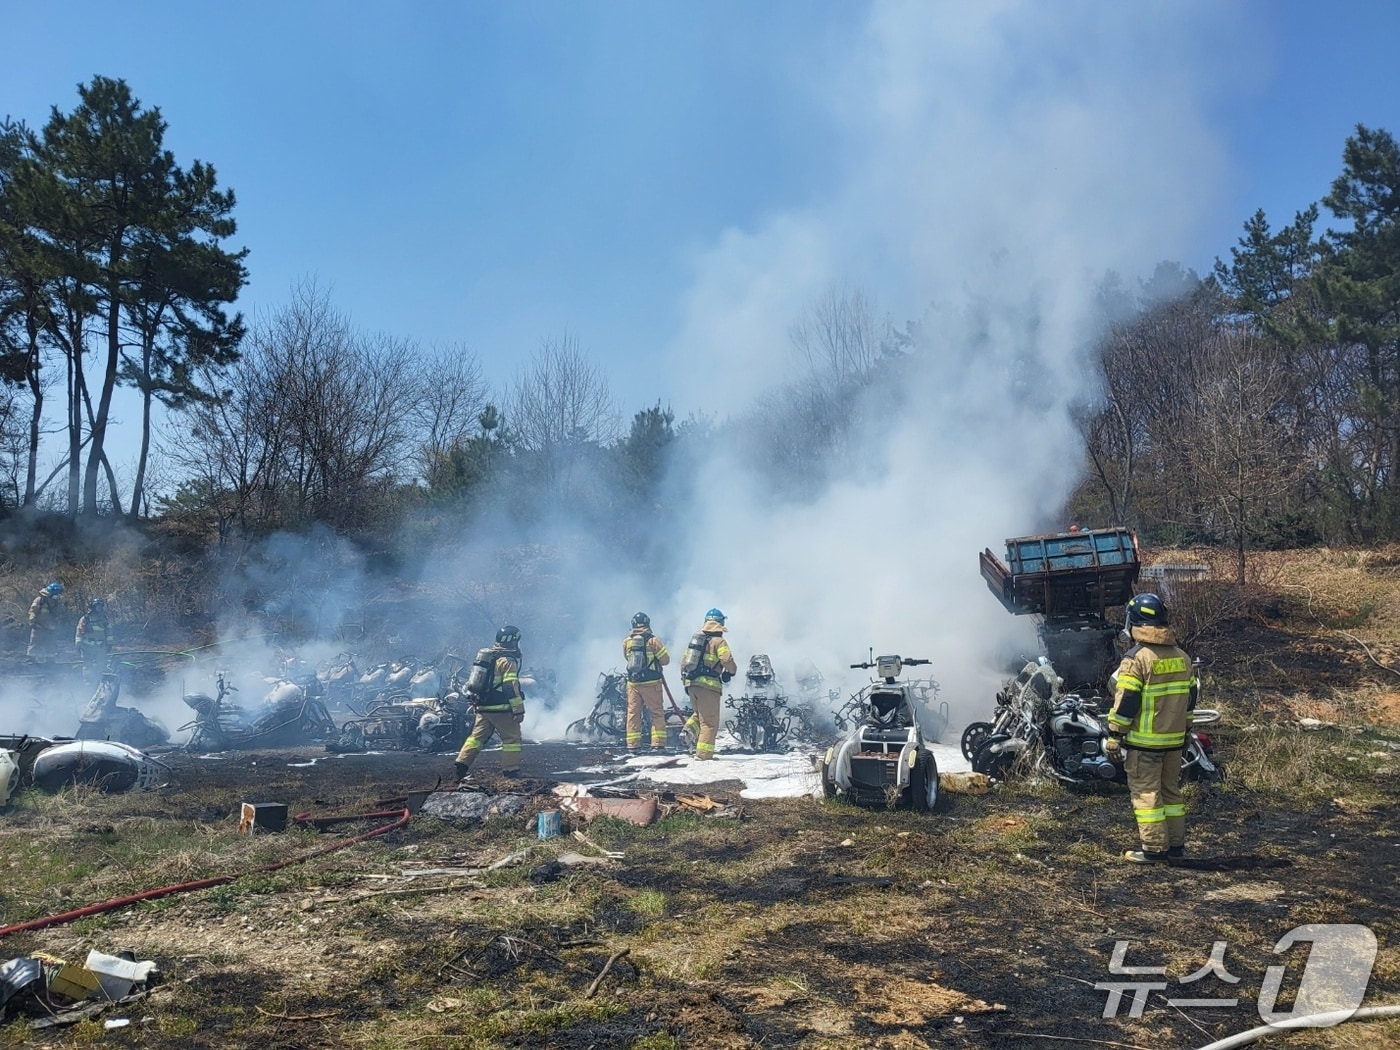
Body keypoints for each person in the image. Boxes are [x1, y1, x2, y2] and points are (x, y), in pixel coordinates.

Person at [1104, 592, 1199, 863]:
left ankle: (1154, 850)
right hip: (1174, 742)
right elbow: (1190, 700)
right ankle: (1176, 846)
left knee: (1147, 795)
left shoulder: (1137, 659)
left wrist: (1114, 735)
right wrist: (1186, 731)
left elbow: (1127, 703)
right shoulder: (1182, 657)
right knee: (1171, 792)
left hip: (1144, 745)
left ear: (1134, 622)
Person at [454, 625, 527, 780]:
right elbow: (510, 686)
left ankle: (461, 765)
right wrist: (518, 709)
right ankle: (511, 771)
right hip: (501, 709)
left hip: (483, 707)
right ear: (512, 642)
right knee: (511, 739)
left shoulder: (488, 658)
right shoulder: (507, 661)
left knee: (476, 738)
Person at [681, 608, 737, 761]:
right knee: (709, 722)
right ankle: (704, 755)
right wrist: (731, 672)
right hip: (709, 686)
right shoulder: (719, 641)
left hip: (691, 684)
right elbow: (727, 660)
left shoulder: (695, 640)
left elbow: (684, 662)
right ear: (720, 623)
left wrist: (685, 682)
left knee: (700, 715)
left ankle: (688, 730)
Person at [623, 612, 671, 752]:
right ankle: (658, 744)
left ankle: (633, 745)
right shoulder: (653, 640)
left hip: (633, 683)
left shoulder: (627, 642)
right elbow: (665, 660)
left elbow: (627, 659)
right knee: (656, 713)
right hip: (651, 683)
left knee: (633, 714)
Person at [75, 597, 114, 680]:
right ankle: (88, 683)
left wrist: (109, 644)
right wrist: (78, 643)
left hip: (100, 647)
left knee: (102, 665)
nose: (99, 609)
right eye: (97, 606)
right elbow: (79, 631)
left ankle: (101, 681)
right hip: (87, 647)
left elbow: (109, 632)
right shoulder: (85, 619)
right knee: (87, 666)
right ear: (93, 607)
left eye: (100, 607)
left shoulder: (104, 619)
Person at [27, 581, 64, 662]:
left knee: (51, 644)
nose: (57, 596)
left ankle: (50, 660)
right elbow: (33, 611)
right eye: (56, 594)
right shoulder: (40, 600)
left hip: (51, 628)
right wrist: (32, 622)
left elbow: (57, 614)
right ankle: (31, 659)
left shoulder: (55, 602)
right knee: (35, 643)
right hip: (39, 626)